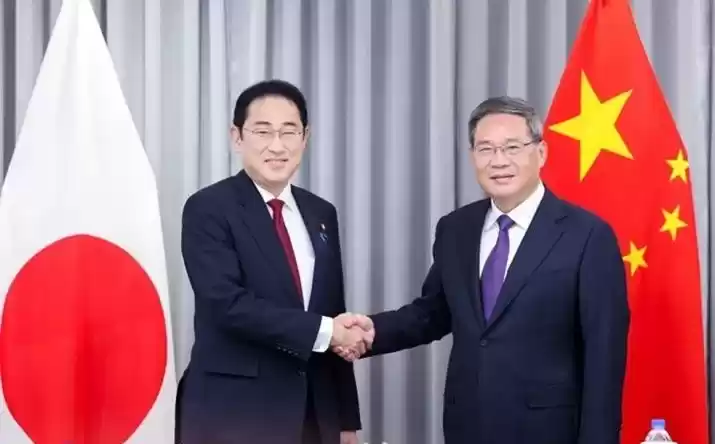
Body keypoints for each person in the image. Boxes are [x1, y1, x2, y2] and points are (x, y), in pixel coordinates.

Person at [337, 96, 630, 444]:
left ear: (541, 153)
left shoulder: (587, 235)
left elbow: (604, 354)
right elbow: (434, 313)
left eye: (512, 147)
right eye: (486, 149)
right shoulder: (456, 229)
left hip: (548, 431)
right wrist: (371, 331)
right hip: (468, 426)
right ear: (472, 155)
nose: (499, 161)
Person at [176, 79, 372, 444]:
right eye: (263, 131)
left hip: (314, 413)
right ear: (237, 137)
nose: (277, 146)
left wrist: (346, 419)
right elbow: (226, 305)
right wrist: (328, 332)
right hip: (234, 414)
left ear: (305, 137)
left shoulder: (321, 213)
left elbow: (331, 309)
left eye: (289, 131)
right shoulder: (209, 208)